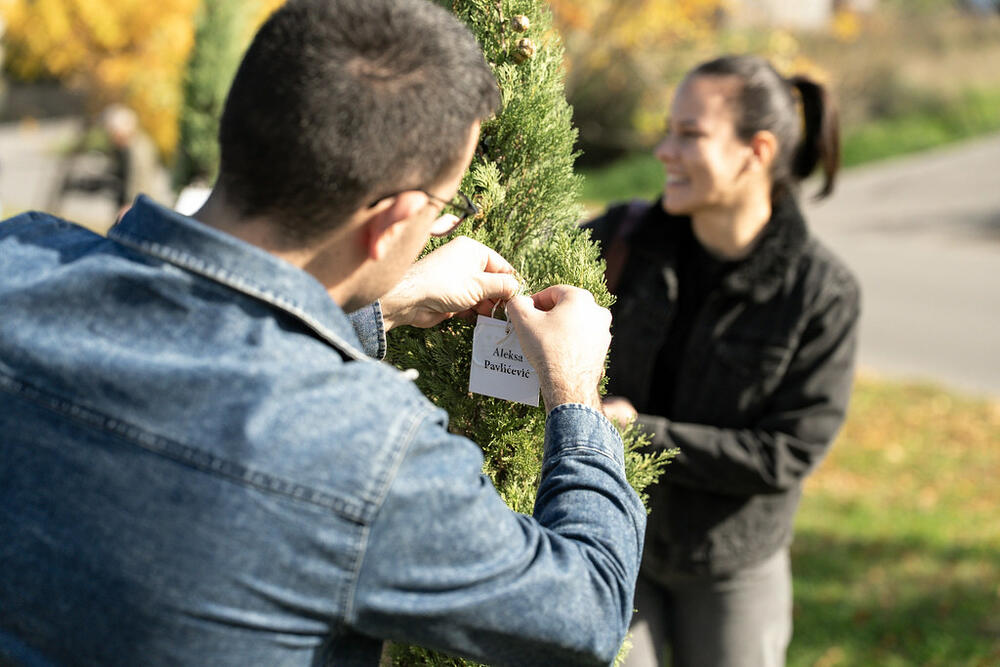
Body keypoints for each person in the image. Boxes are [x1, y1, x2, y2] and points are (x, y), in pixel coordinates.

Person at [0, 1, 645, 665]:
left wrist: (378, 303)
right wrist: (574, 390)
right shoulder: (365, 446)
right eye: (445, 207)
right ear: (392, 222)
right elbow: (584, 610)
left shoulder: (18, 262)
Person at [585, 54, 861, 667]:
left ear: (755, 151)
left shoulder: (821, 293)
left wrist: (641, 432)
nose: (663, 150)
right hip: (616, 538)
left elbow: (785, 454)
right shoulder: (623, 241)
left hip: (734, 561)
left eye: (689, 134)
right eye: (667, 129)